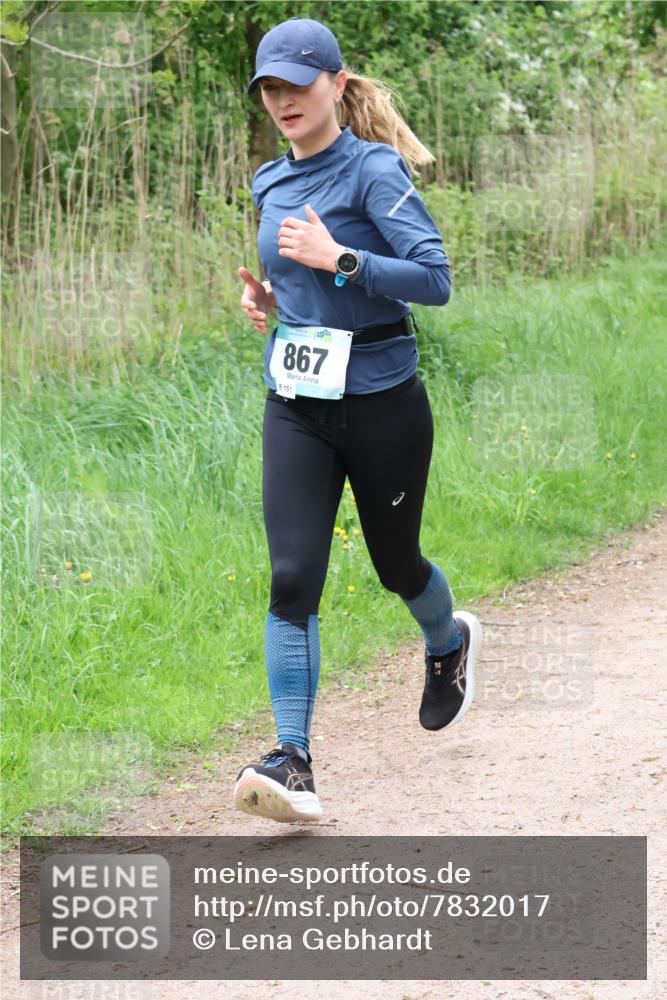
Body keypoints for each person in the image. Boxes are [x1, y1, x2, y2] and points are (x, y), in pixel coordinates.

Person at [234, 16, 482, 823]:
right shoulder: (268, 181)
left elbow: (434, 279)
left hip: (382, 404)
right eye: (269, 88)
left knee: (394, 564)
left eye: (296, 86)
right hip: (297, 405)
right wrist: (268, 298)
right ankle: (293, 758)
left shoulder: (374, 172)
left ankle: (447, 643)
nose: (282, 101)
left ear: (336, 85)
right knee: (291, 577)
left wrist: (338, 258)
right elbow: (293, 281)